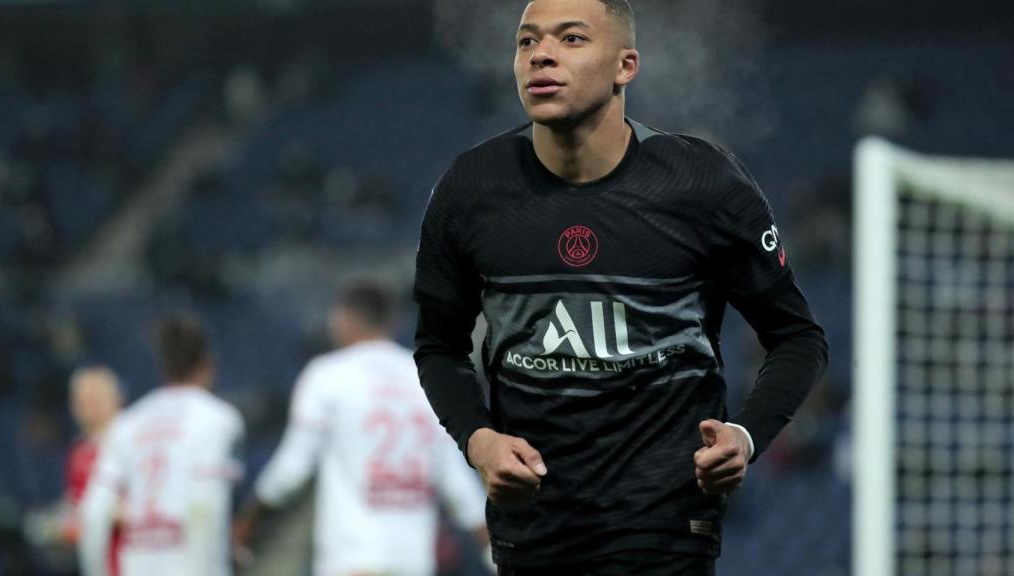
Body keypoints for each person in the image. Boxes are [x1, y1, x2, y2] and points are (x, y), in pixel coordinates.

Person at [412, 0, 830, 574]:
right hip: (533, 526)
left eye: (571, 38)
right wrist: (478, 440)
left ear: (625, 66)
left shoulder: (703, 184)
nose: (541, 55)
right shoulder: (469, 189)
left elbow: (798, 338)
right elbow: (438, 347)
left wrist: (746, 434)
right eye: (527, 41)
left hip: (665, 526)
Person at [235, 280, 489, 576]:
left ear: (342, 319)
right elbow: (457, 483)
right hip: (412, 562)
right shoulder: (426, 379)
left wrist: (247, 521)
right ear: (390, 322)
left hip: (353, 559)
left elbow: (293, 468)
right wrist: (491, 547)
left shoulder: (327, 375)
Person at [79, 313, 244, 576]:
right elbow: (207, 504)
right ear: (209, 365)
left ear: (163, 367)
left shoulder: (129, 424)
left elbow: (94, 512)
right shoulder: (218, 420)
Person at [64, 366, 125, 575]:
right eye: (83, 402)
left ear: (116, 399)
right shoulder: (78, 453)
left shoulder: (134, 443)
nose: (90, 410)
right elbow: (76, 504)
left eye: (96, 401)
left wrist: (103, 512)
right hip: (97, 561)